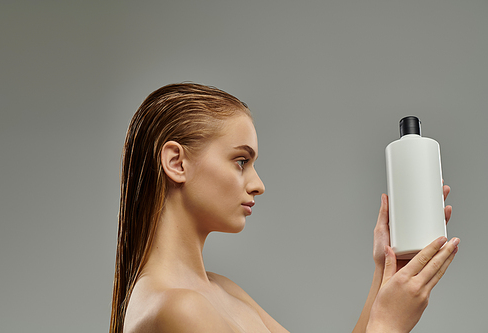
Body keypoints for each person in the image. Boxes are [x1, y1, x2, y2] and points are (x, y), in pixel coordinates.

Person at [109, 83, 459, 333]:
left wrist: (385, 275)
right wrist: (388, 326)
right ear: (176, 163)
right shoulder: (178, 309)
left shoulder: (220, 290)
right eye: (241, 160)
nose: (257, 183)